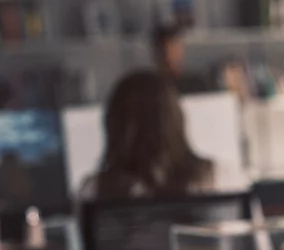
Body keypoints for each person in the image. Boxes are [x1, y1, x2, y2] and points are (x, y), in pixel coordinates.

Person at [80, 70, 244, 200]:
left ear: (113, 125)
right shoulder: (222, 179)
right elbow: (254, 241)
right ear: (178, 120)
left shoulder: (94, 190)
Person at [152, 23, 208, 95]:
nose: (170, 57)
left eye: (176, 50)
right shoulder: (149, 88)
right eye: (166, 51)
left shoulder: (197, 84)